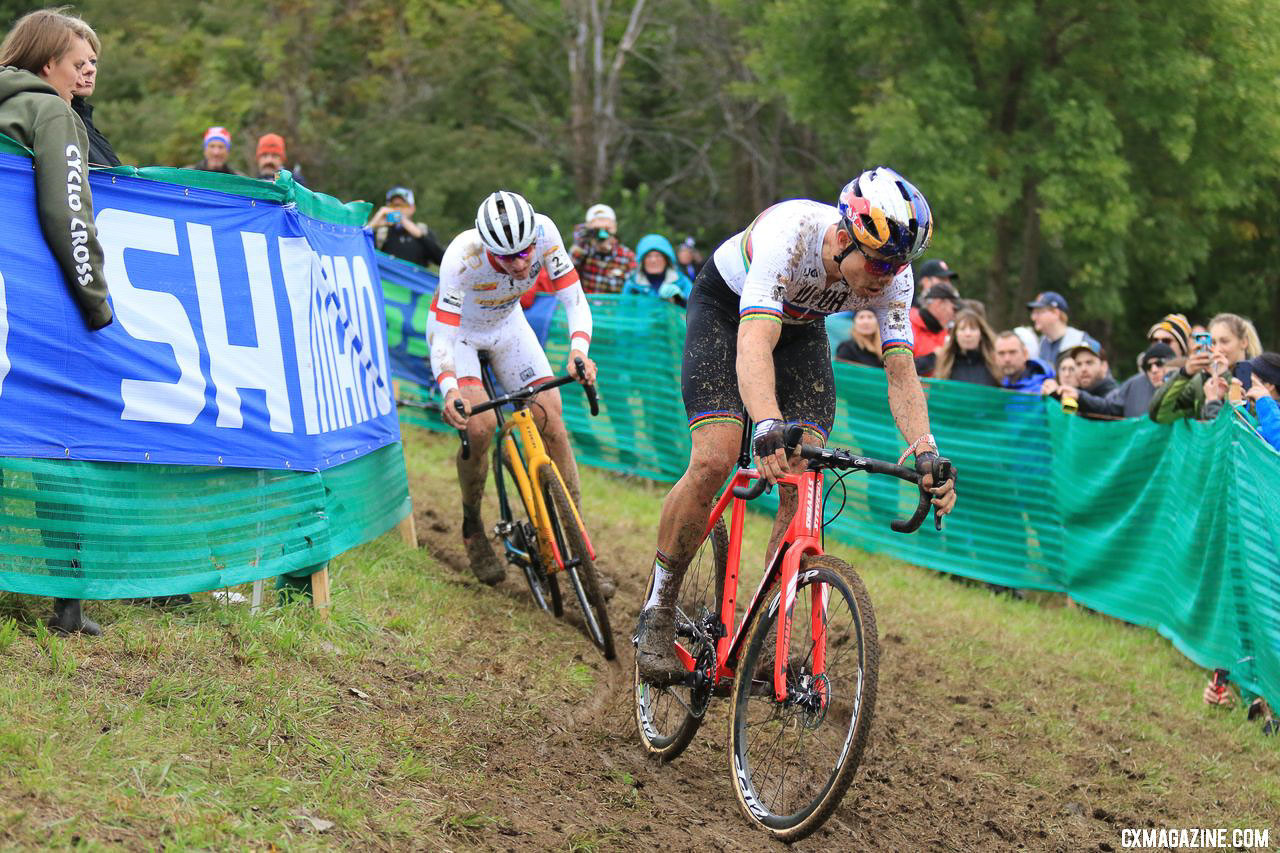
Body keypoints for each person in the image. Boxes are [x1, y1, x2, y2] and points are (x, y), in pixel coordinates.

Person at [632, 166, 957, 685]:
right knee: (717, 455)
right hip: (728, 314)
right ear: (845, 236)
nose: (885, 277)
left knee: (804, 471)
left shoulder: (895, 277)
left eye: (897, 266)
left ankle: (766, 630)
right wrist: (764, 422)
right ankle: (660, 608)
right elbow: (755, 341)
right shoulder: (791, 235)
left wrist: (924, 449)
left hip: (803, 333)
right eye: (877, 262)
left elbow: (901, 373)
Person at [0, 8, 116, 635]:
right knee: (60, 439)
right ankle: (67, 605)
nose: (88, 72)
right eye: (79, 63)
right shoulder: (50, 113)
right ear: (46, 65)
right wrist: (95, 302)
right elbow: (68, 213)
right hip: (33, 306)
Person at [429, 191, 598, 586]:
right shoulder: (461, 257)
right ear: (488, 248)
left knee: (551, 419)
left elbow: (574, 297)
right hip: (462, 336)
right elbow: (443, 337)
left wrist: (579, 352)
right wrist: (450, 389)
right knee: (479, 427)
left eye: (525, 253)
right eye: (509, 258)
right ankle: (472, 523)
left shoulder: (544, 232)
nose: (522, 264)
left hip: (508, 327)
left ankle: (577, 538)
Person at [1056, 342, 1174, 418]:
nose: (1083, 369)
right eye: (1078, 364)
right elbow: (1109, 407)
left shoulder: (1186, 387)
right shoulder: (1133, 385)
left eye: (1159, 364)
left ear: (1104, 366)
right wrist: (1076, 396)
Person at [65, 18, 118, 168]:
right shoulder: (54, 119)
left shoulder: (85, 122)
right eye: (79, 63)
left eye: (93, 61)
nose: (90, 69)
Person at [369, 186, 446, 268]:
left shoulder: (423, 232)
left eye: (402, 205)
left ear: (412, 208)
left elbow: (443, 261)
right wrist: (372, 225)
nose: (397, 209)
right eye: (393, 205)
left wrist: (420, 236)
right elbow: (362, 255)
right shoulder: (382, 234)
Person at [569, 203, 636, 294]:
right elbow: (567, 273)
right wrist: (584, 239)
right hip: (585, 306)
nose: (602, 234)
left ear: (615, 227)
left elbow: (634, 286)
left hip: (614, 307)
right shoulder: (582, 250)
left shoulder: (627, 256)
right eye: (597, 230)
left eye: (607, 229)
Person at [1026, 291, 1099, 367]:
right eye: (1033, 313)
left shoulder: (1081, 340)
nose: (1033, 318)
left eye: (1038, 312)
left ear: (1055, 313)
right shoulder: (1040, 344)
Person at [622, 233, 692, 304]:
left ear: (666, 259)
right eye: (648, 256)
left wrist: (681, 300)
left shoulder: (682, 282)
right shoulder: (632, 285)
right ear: (642, 261)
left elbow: (695, 310)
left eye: (658, 256)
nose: (653, 260)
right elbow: (623, 310)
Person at [934, 310, 999, 386]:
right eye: (962, 329)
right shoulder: (945, 364)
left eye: (973, 329)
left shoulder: (996, 363)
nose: (968, 334)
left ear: (981, 334)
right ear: (955, 335)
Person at [1208, 312, 1263, 391]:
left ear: (1244, 342)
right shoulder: (1207, 376)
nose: (1217, 349)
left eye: (1224, 341)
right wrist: (1186, 373)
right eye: (1213, 343)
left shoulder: (1260, 378)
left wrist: (1225, 375)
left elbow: (1240, 401)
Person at [909, 281, 959, 361]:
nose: (955, 315)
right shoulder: (907, 327)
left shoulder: (945, 331)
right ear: (939, 304)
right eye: (954, 309)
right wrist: (933, 358)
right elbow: (898, 368)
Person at [1242, 353, 1280, 452]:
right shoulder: (1255, 411)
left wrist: (1264, 401)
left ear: (1269, 385)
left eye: (1250, 381)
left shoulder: (1268, 412)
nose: (1245, 384)